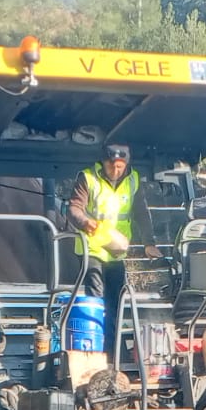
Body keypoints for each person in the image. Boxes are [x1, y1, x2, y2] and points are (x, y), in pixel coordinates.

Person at [68, 142, 141, 352]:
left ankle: (114, 348)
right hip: (92, 249)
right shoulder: (88, 178)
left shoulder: (133, 180)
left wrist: (150, 242)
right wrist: (85, 222)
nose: (116, 171)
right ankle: (97, 348)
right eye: (112, 166)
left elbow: (141, 213)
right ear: (104, 163)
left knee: (117, 300)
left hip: (116, 253)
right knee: (97, 297)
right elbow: (73, 209)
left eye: (120, 166)